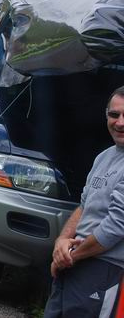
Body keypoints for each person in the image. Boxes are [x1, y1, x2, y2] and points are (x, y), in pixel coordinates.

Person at [45, 87, 124, 317]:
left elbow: (116, 227)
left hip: (104, 271)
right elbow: (83, 205)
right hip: (75, 265)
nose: (120, 123)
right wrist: (62, 241)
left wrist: (68, 258)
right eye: (114, 115)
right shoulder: (105, 156)